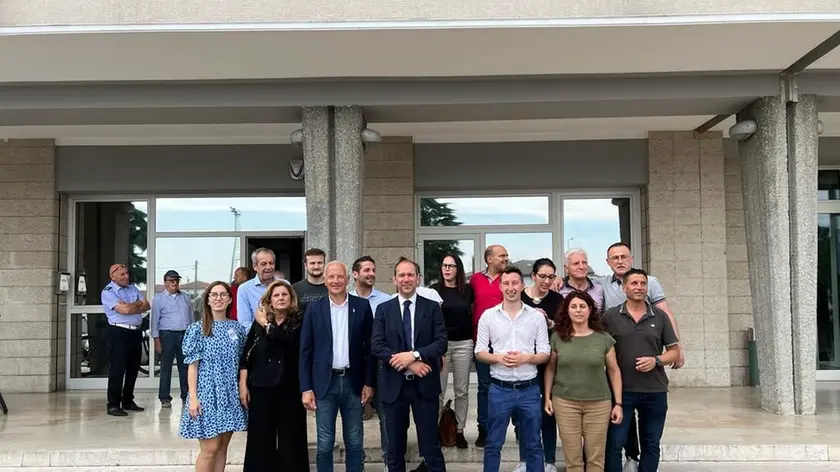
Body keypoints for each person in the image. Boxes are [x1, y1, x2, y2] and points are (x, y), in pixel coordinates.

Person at [372, 257, 447, 472]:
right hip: (394, 387)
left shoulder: (431, 308)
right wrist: (410, 364)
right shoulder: (383, 309)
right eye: (402, 275)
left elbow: (441, 343)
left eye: (410, 275)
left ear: (418, 278)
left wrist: (414, 355)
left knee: (431, 446)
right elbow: (377, 346)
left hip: (425, 385)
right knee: (395, 449)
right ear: (394, 279)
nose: (406, 279)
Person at [602, 269, 680, 472]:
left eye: (643, 283)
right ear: (624, 287)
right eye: (634, 283)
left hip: (654, 390)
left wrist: (656, 360)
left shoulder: (660, 316)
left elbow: (674, 352)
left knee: (651, 443)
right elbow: (598, 348)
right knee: (615, 442)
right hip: (621, 392)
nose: (639, 287)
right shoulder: (611, 316)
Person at [300, 261, 375, 472]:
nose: (335, 281)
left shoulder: (362, 307)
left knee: (355, 442)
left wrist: (369, 382)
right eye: (331, 277)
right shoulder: (314, 309)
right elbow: (305, 351)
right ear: (325, 280)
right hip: (324, 384)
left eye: (340, 276)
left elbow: (370, 348)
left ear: (348, 279)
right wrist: (306, 388)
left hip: (354, 382)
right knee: (324, 444)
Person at [475, 266, 549, 472]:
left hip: (529, 390)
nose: (511, 288)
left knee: (533, 444)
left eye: (515, 283)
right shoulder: (488, 316)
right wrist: (498, 358)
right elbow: (479, 351)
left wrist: (527, 358)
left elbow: (545, 352)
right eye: (506, 283)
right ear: (500, 286)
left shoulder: (536, 317)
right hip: (500, 389)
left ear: (523, 285)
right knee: (493, 444)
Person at [544, 290, 623, 472]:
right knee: (573, 459)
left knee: (596, 458)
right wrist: (547, 397)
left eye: (582, 306)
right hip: (565, 403)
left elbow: (614, 370)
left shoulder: (604, 338)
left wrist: (618, 403)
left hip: (599, 404)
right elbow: (550, 368)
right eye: (573, 306)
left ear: (590, 310)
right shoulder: (557, 337)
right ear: (567, 310)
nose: (578, 310)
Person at [239, 280, 309, 472]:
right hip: (261, 387)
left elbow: (288, 341)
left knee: (292, 439)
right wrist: (243, 385)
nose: (280, 298)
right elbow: (246, 355)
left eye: (284, 294)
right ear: (269, 300)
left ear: (291, 298)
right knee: (260, 438)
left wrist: (267, 325)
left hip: (290, 388)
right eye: (276, 295)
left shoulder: (299, 320)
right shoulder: (258, 324)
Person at [179, 281, 247, 472]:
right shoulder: (197, 329)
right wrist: (193, 397)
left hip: (230, 394)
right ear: (207, 300)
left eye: (223, 294)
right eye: (214, 295)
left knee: (223, 446)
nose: (218, 298)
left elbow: (243, 361)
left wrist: (242, 386)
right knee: (210, 448)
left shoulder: (237, 329)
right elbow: (192, 367)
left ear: (230, 299)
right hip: (207, 393)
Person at [515, 258, 564, 472]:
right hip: (523, 360)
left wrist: (549, 322)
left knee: (547, 410)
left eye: (551, 277)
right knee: (524, 413)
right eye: (542, 276)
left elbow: (564, 328)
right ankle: (525, 459)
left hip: (549, 360)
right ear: (533, 276)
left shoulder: (557, 299)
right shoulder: (520, 296)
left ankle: (549, 460)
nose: (546, 281)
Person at [430, 254, 474, 449]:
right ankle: (438, 431)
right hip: (441, 346)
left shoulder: (468, 290)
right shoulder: (434, 290)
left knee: (461, 390)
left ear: (458, 269)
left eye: (452, 266)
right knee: (438, 390)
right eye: (445, 265)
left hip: (464, 344)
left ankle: (459, 431)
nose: (447, 269)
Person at [470, 244, 509, 447]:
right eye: (502, 255)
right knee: (485, 386)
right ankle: (484, 429)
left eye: (506, 256)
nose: (506, 259)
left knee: (510, 385)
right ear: (489, 259)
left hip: (507, 341)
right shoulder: (475, 280)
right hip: (482, 342)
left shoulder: (509, 279)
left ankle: (516, 428)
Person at [101, 263, 150, 417]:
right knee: (118, 369)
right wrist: (136, 305)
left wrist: (131, 306)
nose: (126, 276)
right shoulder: (108, 292)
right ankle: (113, 404)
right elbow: (126, 310)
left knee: (133, 368)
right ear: (113, 276)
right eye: (122, 274)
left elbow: (147, 305)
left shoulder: (133, 289)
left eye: (127, 273)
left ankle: (128, 401)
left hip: (135, 332)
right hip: (118, 332)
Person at [152, 269, 193, 408]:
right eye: (171, 280)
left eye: (176, 280)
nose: (174, 283)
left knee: (185, 367)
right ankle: (164, 398)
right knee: (166, 368)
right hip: (167, 335)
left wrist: (192, 334)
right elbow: (154, 320)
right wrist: (156, 339)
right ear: (165, 283)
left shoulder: (185, 297)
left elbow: (191, 317)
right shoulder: (159, 299)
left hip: (184, 335)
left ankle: (186, 396)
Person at [237, 248, 277, 329]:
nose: (268, 267)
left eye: (271, 263)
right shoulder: (245, 289)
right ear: (255, 266)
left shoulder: (284, 284)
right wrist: (267, 331)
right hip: (257, 335)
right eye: (263, 264)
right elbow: (245, 323)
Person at [293, 247, 328, 313]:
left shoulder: (332, 287)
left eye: (320, 263)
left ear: (324, 264)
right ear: (305, 265)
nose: (316, 267)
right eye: (312, 263)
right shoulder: (295, 288)